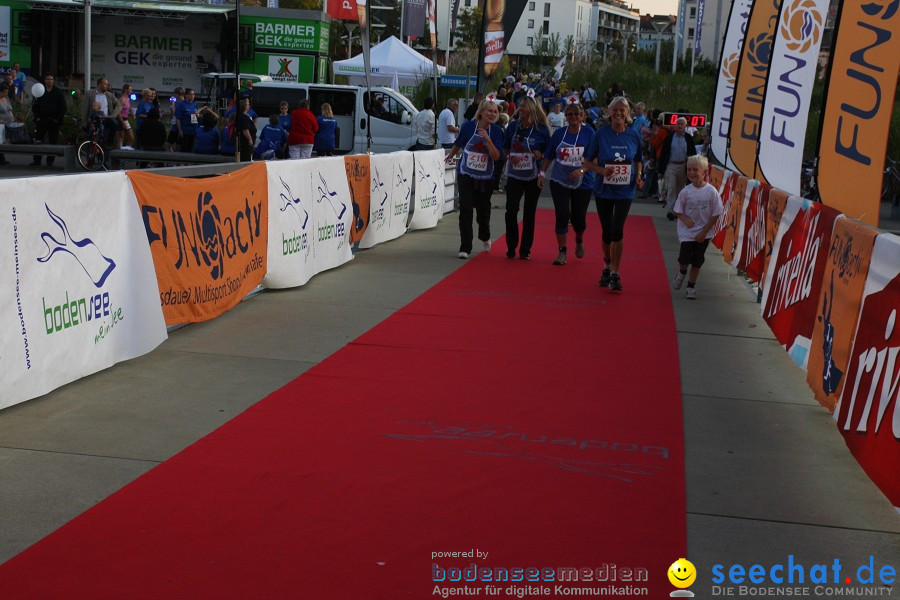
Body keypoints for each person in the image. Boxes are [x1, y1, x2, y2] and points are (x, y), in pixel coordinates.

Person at [584, 96, 644, 292]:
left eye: (622, 110)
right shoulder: (600, 134)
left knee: (618, 230)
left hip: (625, 190)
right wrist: (602, 171)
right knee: (607, 231)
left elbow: (638, 159)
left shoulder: (634, 136)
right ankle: (607, 265)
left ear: (628, 114)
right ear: (609, 112)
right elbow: (587, 162)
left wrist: (639, 175)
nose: (618, 113)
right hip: (604, 189)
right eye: (615, 110)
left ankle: (616, 273)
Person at [444, 99, 504, 259]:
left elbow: (496, 156)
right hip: (466, 174)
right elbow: (459, 143)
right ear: (481, 112)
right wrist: (450, 156)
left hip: (486, 177)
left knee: (483, 211)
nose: (492, 114)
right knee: (466, 209)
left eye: (494, 112)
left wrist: (487, 139)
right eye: (489, 111)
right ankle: (465, 246)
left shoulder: (497, 131)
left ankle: (485, 235)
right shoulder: (468, 126)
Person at [538, 102, 595, 266]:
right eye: (570, 114)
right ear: (565, 116)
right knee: (562, 214)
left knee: (578, 218)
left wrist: (583, 170)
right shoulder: (559, 134)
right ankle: (562, 251)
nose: (573, 118)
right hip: (560, 179)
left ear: (582, 116)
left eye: (576, 114)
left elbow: (595, 157)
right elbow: (549, 155)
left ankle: (579, 238)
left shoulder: (589, 133)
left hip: (583, 181)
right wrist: (542, 172)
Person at [503, 96, 550, 260]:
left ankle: (525, 249)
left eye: (523, 106)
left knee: (529, 212)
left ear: (531, 108)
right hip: (515, 174)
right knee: (511, 209)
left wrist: (541, 155)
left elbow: (549, 154)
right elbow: (506, 149)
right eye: (520, 106)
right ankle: (511, 244)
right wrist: (511, 157)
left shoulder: (541, 129)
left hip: (533, 175)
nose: (520, 108)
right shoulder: (513, 127)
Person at [671, 155, 723, 299]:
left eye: (695, 170)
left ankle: (691, 286)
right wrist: (685, 220)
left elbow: (717, 213)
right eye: (689, 170)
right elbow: (677, 210)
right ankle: (682, 272)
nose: (692, 173)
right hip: (687, 232)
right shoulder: (686, 192)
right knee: (684, 259)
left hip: (704, 233)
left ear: (704, 172)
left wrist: (704, 231)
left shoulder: (711, 192)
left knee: (697, 260)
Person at [659, 116, 697, 220]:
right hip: (671, 165)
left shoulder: (688, 138)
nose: (679, 126)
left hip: (683, 166)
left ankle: (677, 210)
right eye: (678, 124)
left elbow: (693, 154)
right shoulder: (670, 137)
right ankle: (671, 210)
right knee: (671, 188)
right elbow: (663, 153)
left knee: (680, 189)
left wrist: (692, 169)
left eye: (681, 124)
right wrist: (661, 170)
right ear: (675, 125)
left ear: (685, 126)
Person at [30, 73, 67, 167]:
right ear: (45, 80)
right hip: (41, 120)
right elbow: (34, 105)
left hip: (53, 121)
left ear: (53, 81)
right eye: (48, 79)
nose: (50, 81)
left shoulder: (58, 92)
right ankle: (37, 160)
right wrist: (37, 117)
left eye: (51, 79)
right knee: (38, 140)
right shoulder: (40, 90)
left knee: (53, 141)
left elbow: (63, 107)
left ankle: (50, 161)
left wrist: (57, 119)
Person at [82, 77, 121, 147]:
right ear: (99, 84)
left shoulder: (109, 94)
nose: (107, 86)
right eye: (105, 84)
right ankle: (92, 150)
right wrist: (84, 122)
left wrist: (113, 115)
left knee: (115, 124)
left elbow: (119, 105)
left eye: (107, 84)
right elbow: (85, 108)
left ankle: (108, 143)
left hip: (106, 118)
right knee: (94, 133)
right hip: (94, 119)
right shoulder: (90, 93)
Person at [235, 97, 256, 162]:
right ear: (244, 106)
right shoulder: (244, 118)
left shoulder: (241, 116)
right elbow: (245, 130)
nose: (249, 105)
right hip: (245, 144)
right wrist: (250, 139)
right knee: (247, 158)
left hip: (244, 143)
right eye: (247, 104)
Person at [0, 83, 14, 164]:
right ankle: (1, 159)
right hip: (1, 124)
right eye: (4, 92)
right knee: (0, 142)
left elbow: (10, 109)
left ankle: (2, 159)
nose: (6, 94)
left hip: (9, 124)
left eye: (7, 92)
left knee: (4, 141)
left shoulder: (6, 98)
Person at [118, 84, 135, 148]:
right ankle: (119, 154)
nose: (131, 90)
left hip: (126, 119)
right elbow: (118, 112)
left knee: (131, 139)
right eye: (130, 89)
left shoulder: (128, 99)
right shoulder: (122, 99)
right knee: (121, 139)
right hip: (121, 119)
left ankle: (125, 151)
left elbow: (125, 111)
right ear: (126, 90)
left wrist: (131, 114)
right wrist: (122, 123)